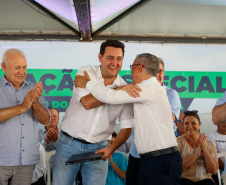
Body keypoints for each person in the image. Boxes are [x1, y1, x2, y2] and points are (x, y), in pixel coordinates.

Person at [74, 53, 182, 185]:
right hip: (151, 160)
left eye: (132, 67)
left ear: (140, 67)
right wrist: (111, 149)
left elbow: (110, 97)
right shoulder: (148, 89)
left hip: (161, 160)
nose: (130, 72)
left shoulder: (148, 87)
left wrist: (88, 84)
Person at [52, 40, 134, 185]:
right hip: (69, 144)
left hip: (99, 148)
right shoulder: (86, 72)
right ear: (100, 57)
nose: (114, 62)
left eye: (119, 58)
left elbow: (127, 127)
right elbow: (87, 103)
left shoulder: (125, 88)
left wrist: (111, 148)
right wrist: (119, 91)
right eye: (110, 57)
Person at [126, 57, 181, 185]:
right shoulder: (135, 91)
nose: (157, 74)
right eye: (155, 70)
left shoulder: (171, 94)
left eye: (160, 71)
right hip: (136, 155)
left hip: (159, 157)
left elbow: (169, 118)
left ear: (164, 73)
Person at [0, 49, 49, 185]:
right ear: (3, 67)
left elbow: (45, 120)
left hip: (25, 161)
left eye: (24, 67)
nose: (22, 72)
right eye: (17, 68)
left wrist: (35, 103)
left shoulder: (34, 89)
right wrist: (22, 107)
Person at [177, 111, 218, 185]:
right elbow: (177, 167)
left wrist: (205, 150)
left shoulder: (209, 144)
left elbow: (214, 170)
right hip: (184, 180)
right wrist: (195, 155)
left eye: (193, 123)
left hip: (205, 180)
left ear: (199, 125)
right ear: (183, 125)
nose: (190, 126)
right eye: (186, 123)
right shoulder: (178, 142)